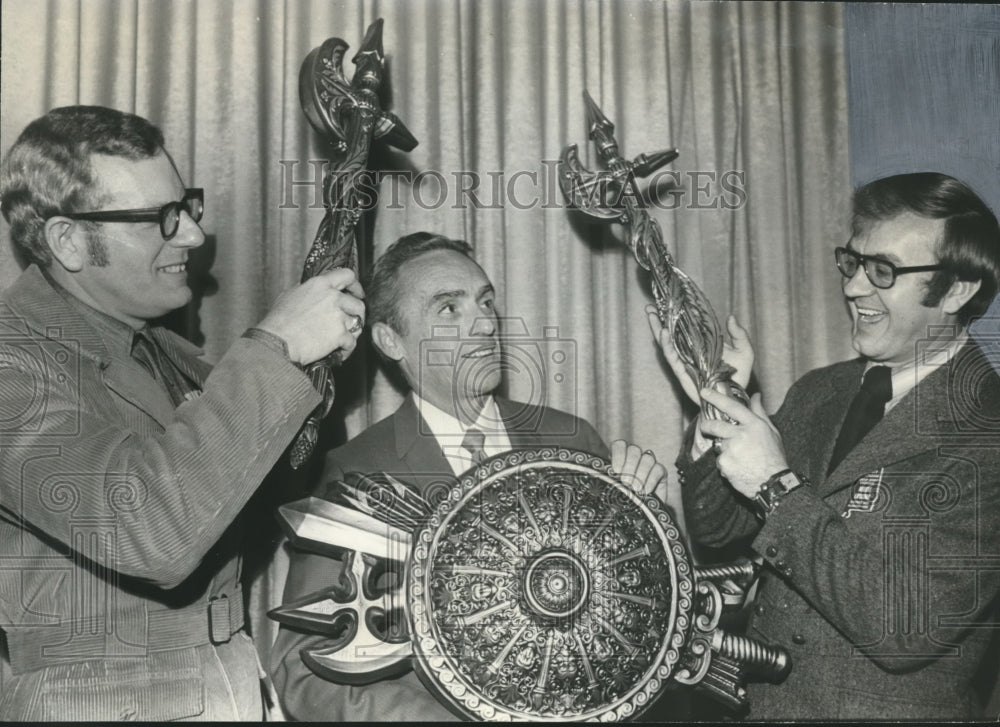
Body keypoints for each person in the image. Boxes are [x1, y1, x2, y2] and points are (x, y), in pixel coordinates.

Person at [0, 105, 366, 721]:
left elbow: (263, 490)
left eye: (187, 206)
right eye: (160, 219)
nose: (193, 236)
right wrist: (276, 349)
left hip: (222, 681)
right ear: (67, 241)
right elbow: (150, 532)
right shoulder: (12, 364)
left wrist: (307, 370)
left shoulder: (167, 352)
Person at [270, 231, 669, 721]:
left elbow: (644, 619)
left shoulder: (570, 441)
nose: (483, 323)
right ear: (391, 340)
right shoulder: (358, 474)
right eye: (449, 309)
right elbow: (303, 670)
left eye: (485, 301)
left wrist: (646, 529)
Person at [651, 172, 1000, 720]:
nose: (855, 287)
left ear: (957, 289)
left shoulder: (987, 430)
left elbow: (905, 627)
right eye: (853, 261)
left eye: (883, 270)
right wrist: (719, 404)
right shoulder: (822, 390)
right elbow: (719, 533)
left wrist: (777, 485)